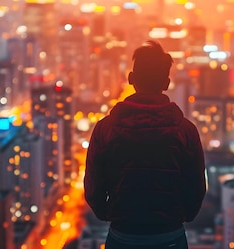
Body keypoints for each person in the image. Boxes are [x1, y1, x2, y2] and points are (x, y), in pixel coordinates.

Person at [84, 40, 206, 249]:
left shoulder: (105, 129)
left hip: (122, 235)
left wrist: (109, 213)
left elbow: (93, 187)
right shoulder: (185, 131)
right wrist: (180, 216)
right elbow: (196, 188)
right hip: (170, 236)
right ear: (166, 83)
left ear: (131, 79)